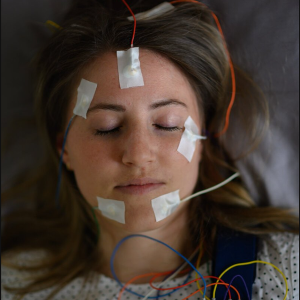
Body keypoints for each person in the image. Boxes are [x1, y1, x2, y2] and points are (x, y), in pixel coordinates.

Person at [1, 1, 299, 299]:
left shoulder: (287, 267)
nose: (139, 154)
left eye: (168, 124)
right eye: (107, 127)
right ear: (64, 148)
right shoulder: (13, 284)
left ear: (203, 138)